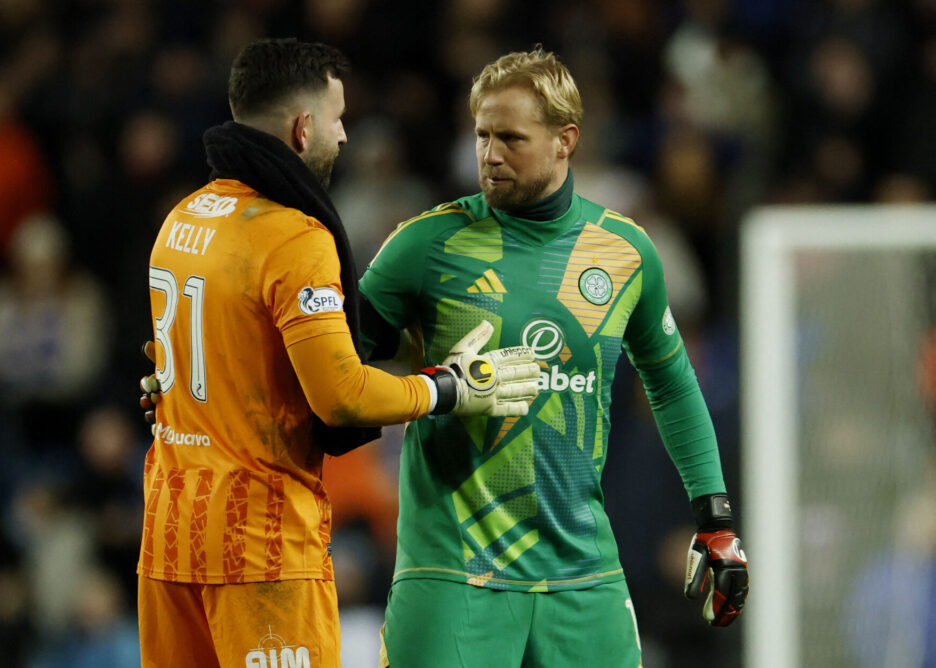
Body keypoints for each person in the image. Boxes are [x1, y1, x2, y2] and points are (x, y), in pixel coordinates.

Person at [135, 38, 539, 668]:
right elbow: (342, 396)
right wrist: (452, 387)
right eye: (337, 118)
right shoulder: (292, 237)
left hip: (168, 542)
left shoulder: (182, 221)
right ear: (302, 129)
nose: (345, 136)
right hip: (260, 549)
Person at [356, 47, 749, 666]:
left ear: (566, 141)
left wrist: (716, 520)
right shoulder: (425, 245)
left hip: (584, 576)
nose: (489, 154)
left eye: (511, 137)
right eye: (482, 135)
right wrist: (429, 384)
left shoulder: (625, 252)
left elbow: (673, 387)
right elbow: (330, 368)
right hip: (453, 574)